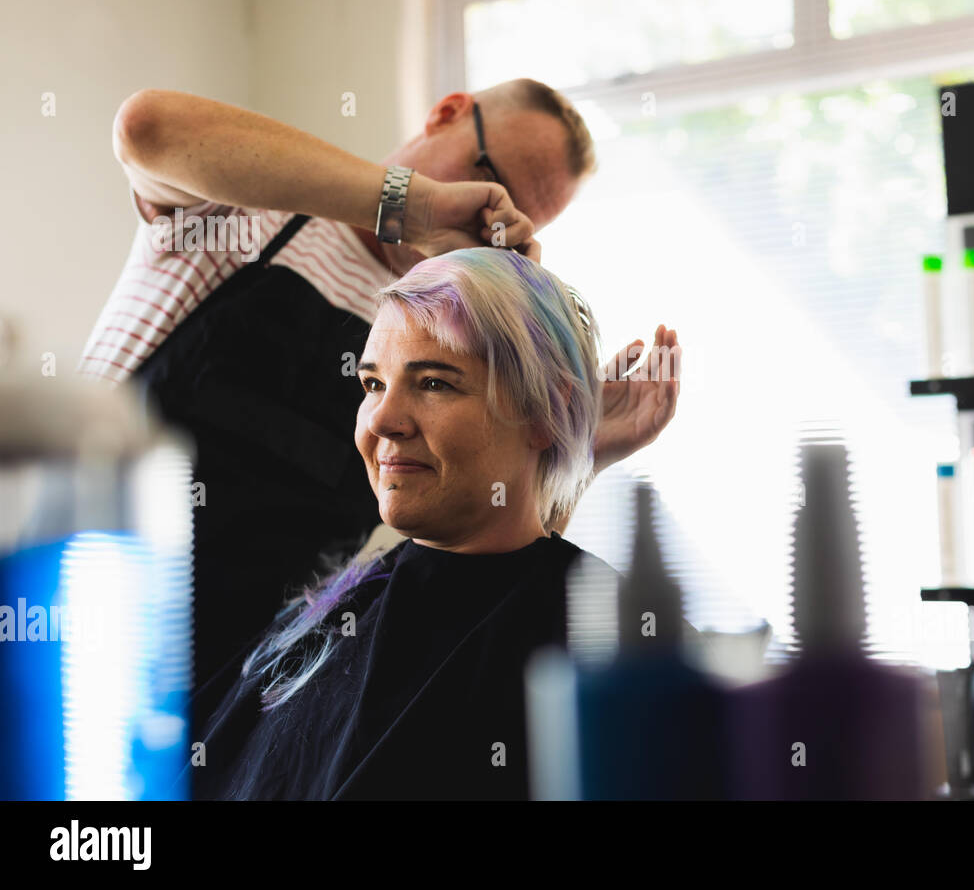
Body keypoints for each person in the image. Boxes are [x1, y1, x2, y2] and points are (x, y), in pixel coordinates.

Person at [78, 79, 679, 694]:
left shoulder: (446, 342)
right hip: (71, 597)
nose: (494, 222)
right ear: (446, 113)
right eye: (490, 179)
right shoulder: (251, 211)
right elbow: (146, 128)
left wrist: (577, 453)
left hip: (236, 695)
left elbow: (487, 559)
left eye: (518, 218)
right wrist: (410, 206)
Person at [190, 246, 680, 800]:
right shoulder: (343, 608)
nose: (383, 421)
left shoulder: (594, 630)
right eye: (373, 384)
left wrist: (571, 448)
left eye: (434, 384)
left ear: (544, 410)